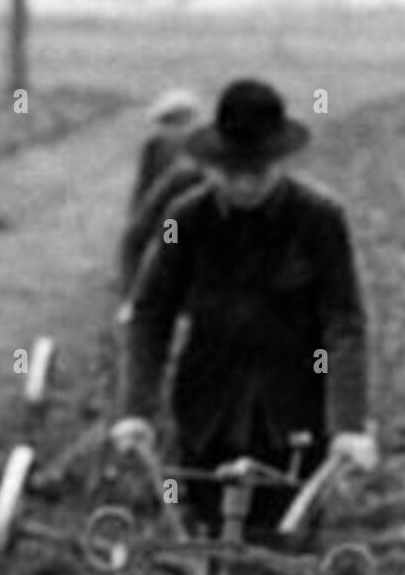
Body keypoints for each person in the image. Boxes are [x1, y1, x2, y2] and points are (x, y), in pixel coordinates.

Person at [111, 79, 377, 535]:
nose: (244, 184)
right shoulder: (183, 220)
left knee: (281, 539)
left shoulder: (320, 220)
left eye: (258, 171)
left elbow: (344, 321)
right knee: (204, 530)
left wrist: (349, 424)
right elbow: (152, 313)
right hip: (206, 410)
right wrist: (136, 409)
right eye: (231, 172)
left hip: (293, 412)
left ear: (279, 162)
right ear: (212, 165)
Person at [118, 88, 206, 298]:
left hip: (193, 218)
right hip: (167, 213)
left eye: (180, 122)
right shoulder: (153, 148)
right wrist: (138, 213)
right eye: (167, 123)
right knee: (166, 246)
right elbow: (144, 186)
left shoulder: (202, 152)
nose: (172, 130)